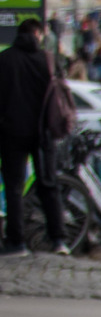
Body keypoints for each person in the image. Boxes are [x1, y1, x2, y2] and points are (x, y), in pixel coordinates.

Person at [0, 19, 66, 253]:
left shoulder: (5, 59)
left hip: (11, 133)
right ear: (38, 33)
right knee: (48, 185)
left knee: (14, 188)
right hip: (43, 133)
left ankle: (16, 241)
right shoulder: (47, 60)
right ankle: (58, 239)